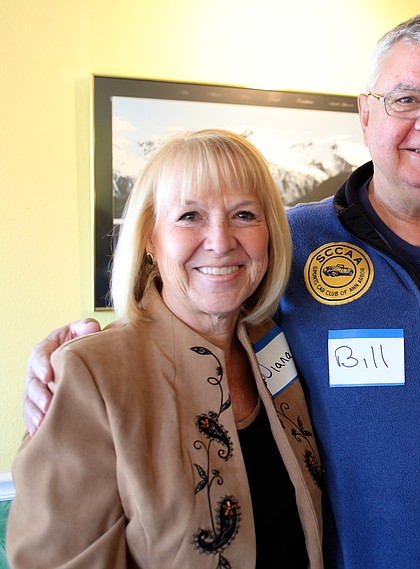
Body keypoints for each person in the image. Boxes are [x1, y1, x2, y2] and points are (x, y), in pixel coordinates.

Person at [22, 15, 420, 568]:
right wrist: (74, 366)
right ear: (366, 112)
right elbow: (187, 314)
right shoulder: (289, 242)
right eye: (405, 99)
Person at [10, 129, 323, 568]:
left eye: (244, 215)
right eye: (190, 215)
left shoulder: (278, 340)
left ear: (269, 234)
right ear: (150, 240)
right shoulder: (89, 374)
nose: (220, 240)